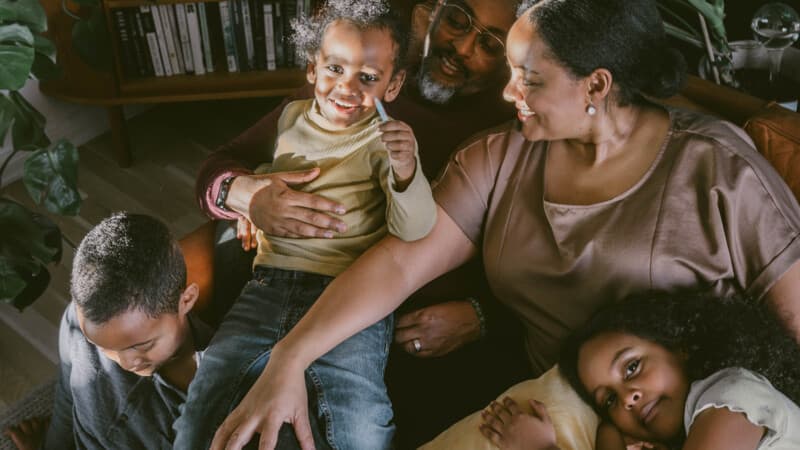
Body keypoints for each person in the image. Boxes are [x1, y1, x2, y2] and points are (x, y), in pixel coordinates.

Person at [206, 0, 800, 449]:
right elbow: (398, 265)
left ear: (596, 84)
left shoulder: (718, 166)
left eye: (528, 77)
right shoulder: (498, 155)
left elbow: (793, 326)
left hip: (701, 421)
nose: (507, 90)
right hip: (539, 407)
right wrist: (289, 358)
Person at [197, 0, 531, 446]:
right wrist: (247, 195)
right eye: (457, 20)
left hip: (402, 322)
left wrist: (481, 315)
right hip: (287, 277)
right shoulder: (346, 82)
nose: (464, 47)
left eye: (490, 44)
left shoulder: (511, 128)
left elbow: (529, 263)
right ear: (431, 13)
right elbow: (221, 166)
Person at [173, 1, 438, 449]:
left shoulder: (386, 142)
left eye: (368, 78)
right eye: (334, 68)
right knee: (205, 403)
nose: (347, 87)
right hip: (267, 286)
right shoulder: (289, 119)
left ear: (393, 85)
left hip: (348, 300)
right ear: (312, 68)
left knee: (361, 424)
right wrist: (250, 199)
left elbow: (414, 228)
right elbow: (235, 170)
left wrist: (407, 170)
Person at [479, 292, 800, 450]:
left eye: (632, 367)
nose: (627, 399)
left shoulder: (730, 398)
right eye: (609, 401)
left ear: (680, 347)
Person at [4, 213, 212, 450]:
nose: (126, 362)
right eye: (103, 347)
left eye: (141, 345)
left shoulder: (212, 386)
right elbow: (69, 396)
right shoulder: (78, 322)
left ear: (186, 300)